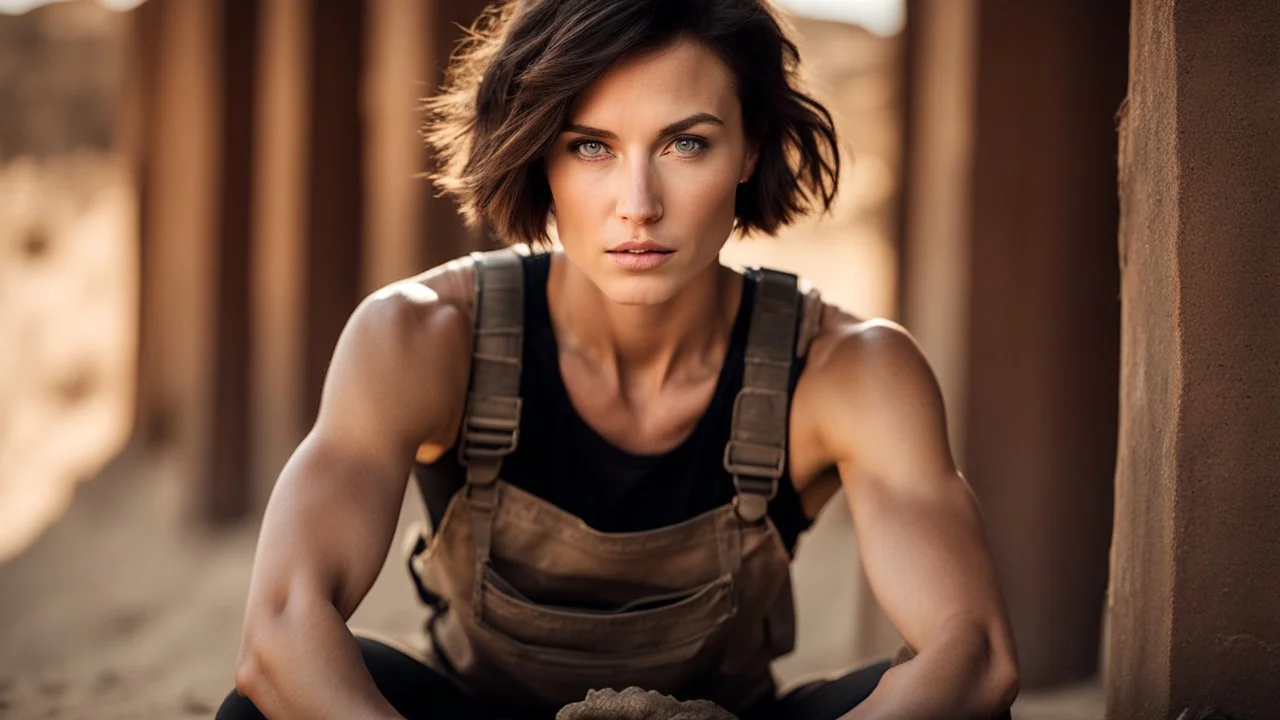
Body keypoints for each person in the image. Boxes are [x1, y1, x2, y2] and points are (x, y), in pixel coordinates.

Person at [216, 0, 1020, 718]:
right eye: (592, 146)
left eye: (686, 143)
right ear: (541, 156)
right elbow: (280, 631)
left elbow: (974, 654)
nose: (638, 203)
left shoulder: (850, 369)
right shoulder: (418, 336)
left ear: (748, 152)